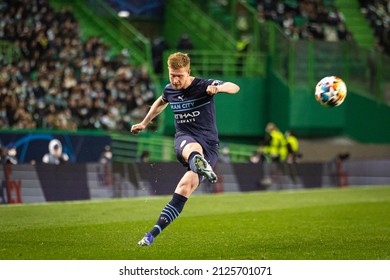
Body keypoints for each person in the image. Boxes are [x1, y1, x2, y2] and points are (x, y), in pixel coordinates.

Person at [130, 52, 240, 246]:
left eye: (179, 75)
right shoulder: (170, 90)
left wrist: (219, 88)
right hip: (185, 139)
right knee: (192, 147)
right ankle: (198, 161)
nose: (175, 79)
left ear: (188, 72)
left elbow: (235, 87)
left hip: (210, 145)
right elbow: (161, 101)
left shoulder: (203, 85)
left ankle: (151, 234)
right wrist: (145, 122)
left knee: (184, 188)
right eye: (172, 75)